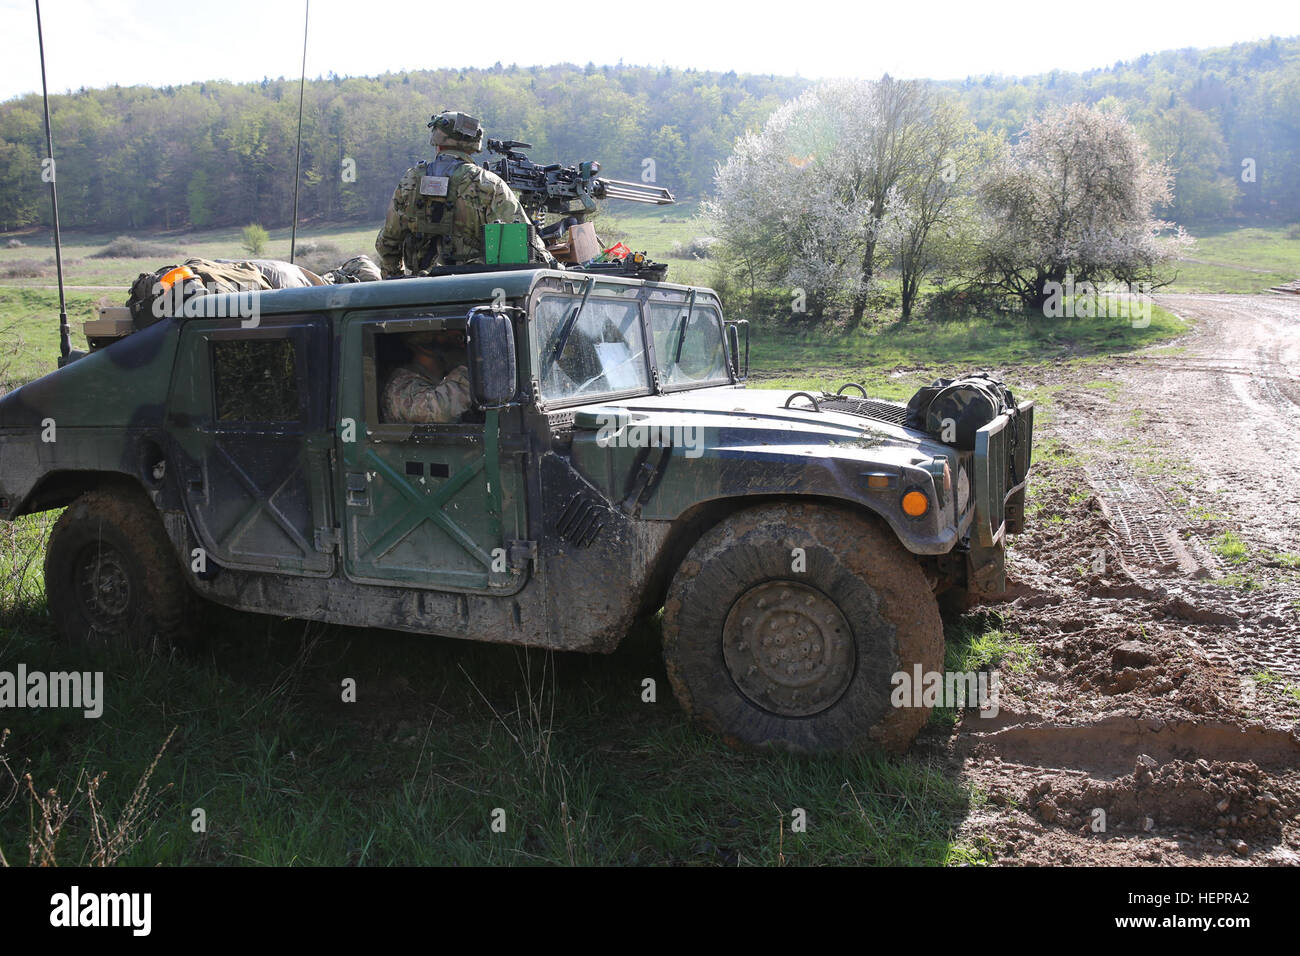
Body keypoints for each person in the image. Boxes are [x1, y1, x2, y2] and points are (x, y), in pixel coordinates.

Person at [375, 110, 555, 277]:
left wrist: (396, 282)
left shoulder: (411, 180)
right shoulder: (488, 183)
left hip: (422, 291)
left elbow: (388, 242)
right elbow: (526, 245)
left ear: (437, 141)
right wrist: (554, 265)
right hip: (475, 290)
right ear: (473, 145)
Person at [382, 330, 472, 424]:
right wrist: (469, 367)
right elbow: (439, 412)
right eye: (456, 338)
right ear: (424, 341)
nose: (460, 343)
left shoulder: (444, 376)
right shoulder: (402, 385)